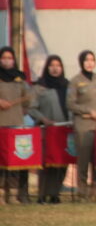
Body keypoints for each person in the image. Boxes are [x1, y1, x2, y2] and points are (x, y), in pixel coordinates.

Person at [67, 50, 96, 201]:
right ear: (81, 62)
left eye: (92, 60)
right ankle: (82, 192)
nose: (90, 63)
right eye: (86, 60)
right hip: (84, 125)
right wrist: (88, 111)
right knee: (84, 160)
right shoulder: (75, 81)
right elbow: (70, 103)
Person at [29, 55, 70, 203]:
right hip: (46, 130)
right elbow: (31, 107)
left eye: (58, 65)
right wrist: (43, 119)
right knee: (47, 163)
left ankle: (55, 193)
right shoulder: (40, 87)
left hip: (64, 129)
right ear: (47, 67)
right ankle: (42, 194)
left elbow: (71, 105)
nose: (55, 68)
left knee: (61, 162)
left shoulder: (67, 85)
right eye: (52, 65)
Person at [0, 46, 32, 205]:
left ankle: (15, 194)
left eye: (10, 57)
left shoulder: (20, 79)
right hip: (1, 125)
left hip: (16, 126)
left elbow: (28, 99)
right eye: (4, 57)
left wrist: (22, 109)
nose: (7, 60)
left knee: (16, 160)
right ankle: (1, 195)